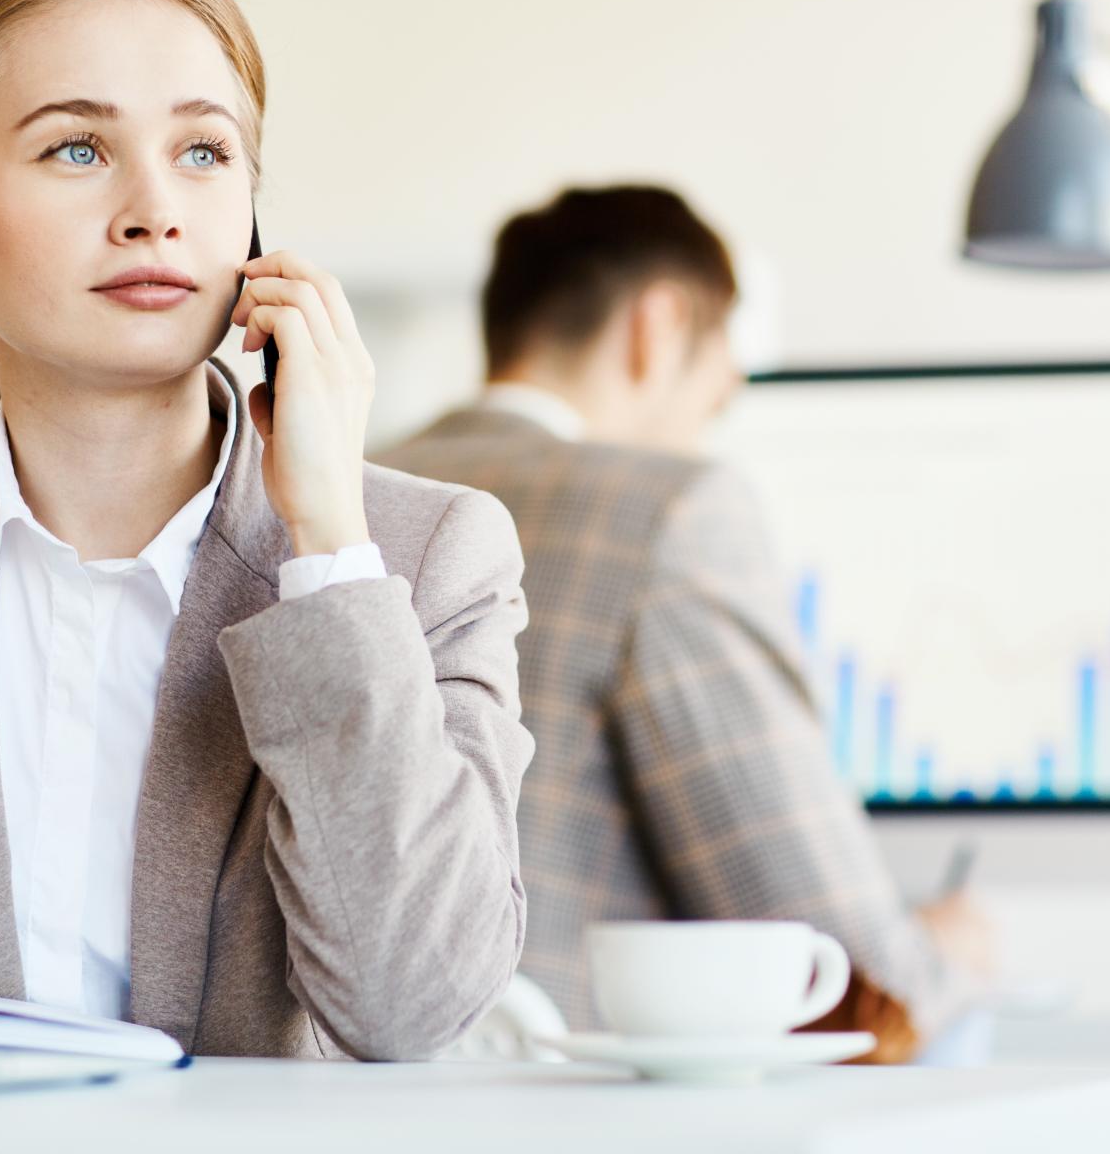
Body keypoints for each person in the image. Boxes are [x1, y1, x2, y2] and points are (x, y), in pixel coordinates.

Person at [0, 0, 533, 1063]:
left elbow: (409, 1007)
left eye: (205, 153)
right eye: (77, 149)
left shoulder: (426, 552)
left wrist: (329, 547)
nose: (154, 209)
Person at [375, 186, 990, 1061]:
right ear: (656, 328)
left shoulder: (332, 489)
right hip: (561, 1121)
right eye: (719, 392)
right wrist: (947, 955)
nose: (711, 424)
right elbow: (849, 980)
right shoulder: (670, 510)